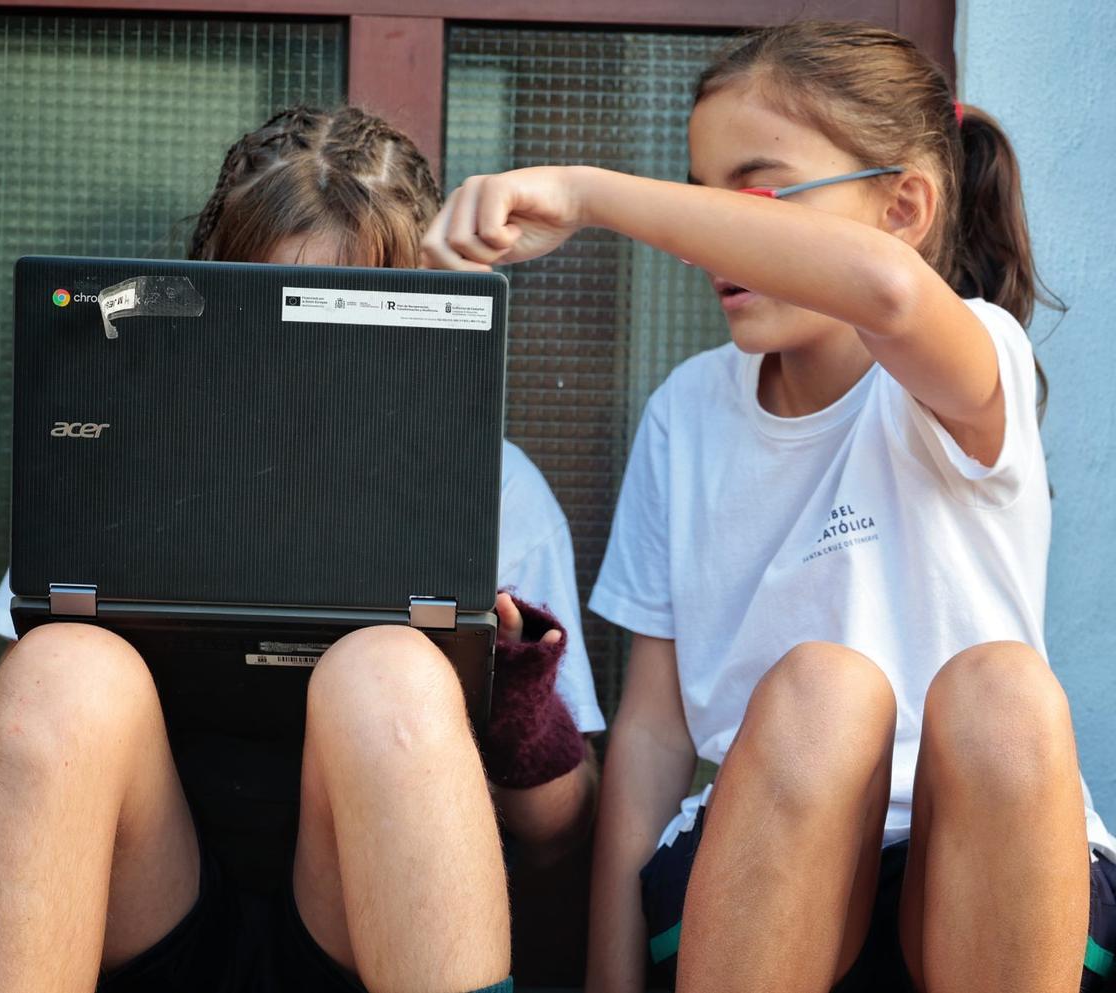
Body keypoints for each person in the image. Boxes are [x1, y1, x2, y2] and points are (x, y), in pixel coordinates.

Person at [420, 21, 1116, 993]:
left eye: (748, 197)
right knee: (822, 694)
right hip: (759, 871)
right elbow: (655, 732)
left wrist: (589, 194)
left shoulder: (975, 359)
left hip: (1002, 883)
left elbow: (887, 293)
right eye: (698, 199)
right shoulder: (685, 417)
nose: (712, 236)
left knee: (1006, 692)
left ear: (903, 206)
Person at [0, 105, 604, 993]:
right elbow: (37, 745)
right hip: (153, 905)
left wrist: (510, 684)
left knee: (390, 674)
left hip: (358, 928)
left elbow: (560, 826)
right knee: (56, 670)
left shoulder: (492, 480)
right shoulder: (129, 445)